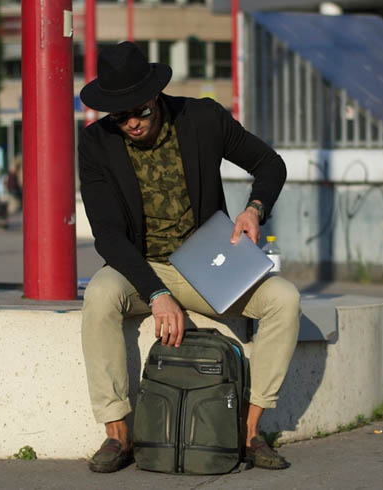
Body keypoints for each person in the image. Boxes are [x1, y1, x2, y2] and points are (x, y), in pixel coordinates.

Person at [78, 42, 300, 473]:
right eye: (120, 116)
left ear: (156, 95)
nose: (132, 123)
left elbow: (269, 163)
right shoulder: (96, 142)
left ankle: (248, 431)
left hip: (207, 264)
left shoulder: (202, 118)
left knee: (284, 300)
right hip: (140, 267)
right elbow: (107, 234)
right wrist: (155, 292)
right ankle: (117, 434)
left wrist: (254, 210)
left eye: (140, 111)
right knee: (100, 296)